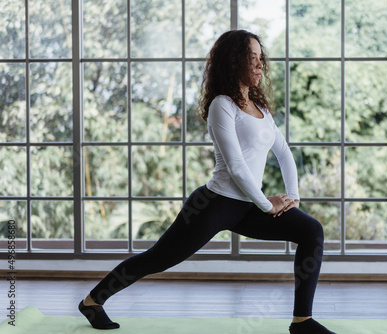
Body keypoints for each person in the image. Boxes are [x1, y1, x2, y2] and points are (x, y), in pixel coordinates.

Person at [78, 29, 336, 334]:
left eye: (260, 57)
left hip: (250, 206)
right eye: (251, 57)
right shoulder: (221, 106)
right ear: (233, 61)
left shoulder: (261, 109)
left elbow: (283, 152)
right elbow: (237, 167)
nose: (259, 64)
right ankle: (92, 301)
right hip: (215, 204)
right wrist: (268, 205)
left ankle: (302, 322)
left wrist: (292, 196)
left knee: (311, 231)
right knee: (158, 258)